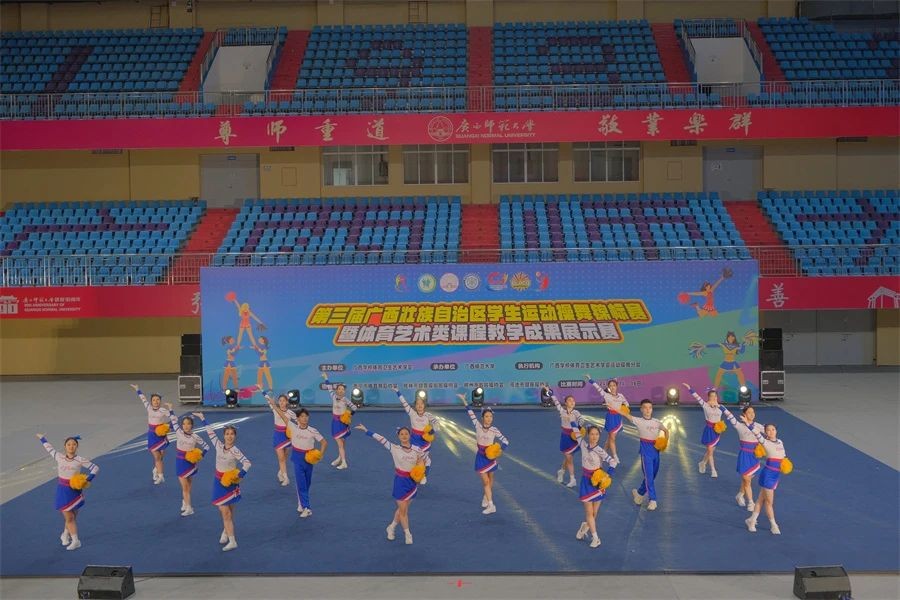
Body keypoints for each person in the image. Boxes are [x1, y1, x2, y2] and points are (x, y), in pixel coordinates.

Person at [355, 423, 426, 545]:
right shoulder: (394, 448)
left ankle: (391, 527)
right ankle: (408, 534)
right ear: (398, 436)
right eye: (401, 434)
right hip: (400, 483)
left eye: (406, 434)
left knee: (403, 508)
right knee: (403, 511)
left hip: (412, 483)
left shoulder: (417, 449)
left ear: (410, 435)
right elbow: (381, 439)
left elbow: (422, 461)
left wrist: (421, 474)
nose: (404, 436)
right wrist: (367, 430)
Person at [35, 433, 99, 551]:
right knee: (69, 517)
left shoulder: (80, 460)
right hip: (63, 490)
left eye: (74, 444)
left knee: (72, 516)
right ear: (65, 446)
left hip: (75, 490)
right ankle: (76, 541)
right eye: (69, 444)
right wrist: (42, 438)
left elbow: (95, 468)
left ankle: (65, 534)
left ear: (77, 447)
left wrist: (88, 479)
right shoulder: (59, 457)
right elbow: (49, 448)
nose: (71, 446)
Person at [267, 395, 327, 518]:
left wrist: (320, 455)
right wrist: (274, 404)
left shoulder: (313, 430)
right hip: (297, 459)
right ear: (298, 419)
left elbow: (324, 442)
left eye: (306, 416)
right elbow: (282, 415)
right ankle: (307, 508)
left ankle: (301, 503)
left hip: (309, 459)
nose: (304, 418)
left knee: (307, 484)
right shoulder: (292, 427)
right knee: (301, 484)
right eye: (302, 417)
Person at [198, 412, 251, 551]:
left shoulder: (235, 450)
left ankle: (232, 540)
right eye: (227, 434)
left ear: (235, 436)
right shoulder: (218, 445)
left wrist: (240, 476)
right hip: (218, 482)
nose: (229, 436)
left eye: (232, 434)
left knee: (228, 512)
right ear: (223, 436)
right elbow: (210, 433)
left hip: (231, 483)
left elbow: (247, 463)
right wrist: (203, 419)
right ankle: (226, 531)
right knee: (224, 510)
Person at [457, 393, 509, 515]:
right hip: (480, 457)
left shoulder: (494, 430)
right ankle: (491, 505)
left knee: (491, 479)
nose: (489, 418)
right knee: (485, 482)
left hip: (491, 458)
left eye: (491, 416)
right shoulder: (478, 426)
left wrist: (499, 451)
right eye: (487, 416)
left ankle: (486, 497)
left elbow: (506, 441)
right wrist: (464, 400)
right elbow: (470, 413)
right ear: (482, 418)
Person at [571, 424, 618, 548]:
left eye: (597, 434)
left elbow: (613, 462)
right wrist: (571, 419)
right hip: (586, 482)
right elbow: (576, 431)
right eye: (592, 434)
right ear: (588, 435)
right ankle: (596, 538)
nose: (594, 436)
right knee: (589, 512)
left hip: (597, 483)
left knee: (594, 514)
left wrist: (607, 476)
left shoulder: (600, 450)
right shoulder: (582, 444)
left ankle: (584, 527)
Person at [621, 399, 669, 511]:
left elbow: (666, 431)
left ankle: (639, 494)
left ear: (652, 409)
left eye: (650, 408)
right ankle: (653, 500)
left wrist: (665, 442)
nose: (648, 410)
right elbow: (625, 414)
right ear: (641, 409)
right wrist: (612, 406)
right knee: (649, 476)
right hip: (645, 452)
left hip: (656, 452)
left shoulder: (657, 422)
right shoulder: (638, 421)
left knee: (652, 476)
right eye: (645, 408)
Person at [721, 405, 766, 513]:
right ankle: (751, 502)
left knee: (747, 480)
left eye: (753, 412)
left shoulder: (758, 426)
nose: (752, 414)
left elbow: (768, 433)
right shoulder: (739, 426)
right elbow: (730, 416)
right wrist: (721, 407)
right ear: (744, 414)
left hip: (754, 456)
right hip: (745, 456)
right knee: (746, 479)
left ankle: (740, 494)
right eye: (749, 412)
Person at [744, 423, 787, 535]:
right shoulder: (765, 442)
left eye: (773, 429)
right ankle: (774, 525)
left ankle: (751, 520)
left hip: (776, 475)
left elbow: (783, 457)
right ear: (765, 432)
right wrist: (748, 424)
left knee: (761, 499)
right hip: (768, 475)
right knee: (769, 502)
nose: (771, 431)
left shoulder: (780, 442)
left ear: (776, 431)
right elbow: (756, 433)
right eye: (768, 430)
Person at [168, 412, 210, 516]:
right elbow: (173, 420)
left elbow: (206, 446)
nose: (186, 426)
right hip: (180, 462)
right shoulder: (178, 432)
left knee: (188, 486)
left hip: (191, 463)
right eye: (184, 424)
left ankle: (187, 505)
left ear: (192, 425)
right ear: (182, 425)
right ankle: (188, 505)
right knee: (185, 487)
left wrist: (199, 456)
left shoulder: (195, 436)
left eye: (188, 424)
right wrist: (171, 410)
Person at [542, 385, 584, 488]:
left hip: (574, 437)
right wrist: (548, 391)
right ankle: (569, 476)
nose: (572, 402)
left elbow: (582, 420)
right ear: (566, 403)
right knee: (569, 457)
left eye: (573, 400)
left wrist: (578, 428)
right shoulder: (562, 411)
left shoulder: (576, 412)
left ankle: (566, 474)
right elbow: (555, 400)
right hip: (565, 437)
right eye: (569, 400)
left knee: (569, 457)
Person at [130, 383, 172, 485]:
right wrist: (137, 389)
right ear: (151, 401)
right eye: (154, 400)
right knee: (157, 457)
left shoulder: (163, 410)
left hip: (161, 435)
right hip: (152, 436)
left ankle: (156, 469)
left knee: (161, 455)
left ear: (160, 401)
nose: (156, 402)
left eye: (158, 400)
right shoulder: (148, 407)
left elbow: (173, 418)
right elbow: (143, 399)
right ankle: (161, 476)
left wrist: (168, 426)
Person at [394, 385, 438, 484]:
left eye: (421, 404)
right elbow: (404, 403)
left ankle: (423, 476)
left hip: (425, 443)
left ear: (424, 405)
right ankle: (412, 476)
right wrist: (397, 391)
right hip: (414, 442)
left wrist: (432, 430)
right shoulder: (412, 413)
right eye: (417, 404)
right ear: (415, 406)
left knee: (426, 461)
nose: (419, 405)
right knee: (415, 461)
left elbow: (437, 423)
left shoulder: (428, 415)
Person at [682, 383, 724, 478]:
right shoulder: (705, 405)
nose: (714, 398)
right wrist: (689, 388)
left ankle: (703, 463)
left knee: (710, 451)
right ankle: (713, 470)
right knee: (710, 451)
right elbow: (697, 397)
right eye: (711, 396)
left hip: (717, 431)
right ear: (708, 397)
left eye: (715, 396)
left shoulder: (720, 407)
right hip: (709, 431)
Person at [584, 374, 629, 461]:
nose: (612, 387)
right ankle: (615, 456)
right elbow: (598, 388)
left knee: (610, 438)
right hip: (610, 418)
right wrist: (590, 379)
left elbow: (627, 403)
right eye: (610, 386)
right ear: (608, 387)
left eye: (614, 385)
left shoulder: (621, 396)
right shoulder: (606, 395)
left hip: (618, 418)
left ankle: (603, 453)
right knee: (612, 438)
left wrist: (624, 407)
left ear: (617, 386)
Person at [321, 371, 358, 470]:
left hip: (342, 423)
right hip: (335, 422)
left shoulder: (346, 400)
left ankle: (344, 462)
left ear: (344, 391)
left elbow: (354, 408)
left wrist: (349, 415)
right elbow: (329, 387)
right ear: (337, 390)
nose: (341, 391)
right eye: (339, 389)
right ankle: (339, 458)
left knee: (340, 443)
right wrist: (326, 378)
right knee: (341, 442)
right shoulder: (333, 396)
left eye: (343, 389)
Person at [268, 393, 296, 486]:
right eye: (280, 401)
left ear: (287, 402)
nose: (282, 402)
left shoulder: (290, 413)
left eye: (284, 401)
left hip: (288, 437)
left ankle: (281, 472)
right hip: (278, 436)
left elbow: (298, 421)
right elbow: (268, 400)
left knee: (285, 457)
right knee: (281, 458)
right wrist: (261, 390)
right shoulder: (275, 409)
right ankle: (286, 478)